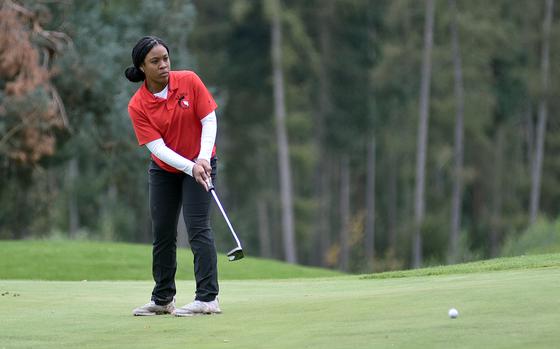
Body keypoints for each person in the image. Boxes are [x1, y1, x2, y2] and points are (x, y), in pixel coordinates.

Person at [124, 36, 221, 317]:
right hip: (165, 170)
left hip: (201, 163)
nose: (163, 65)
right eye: (155, 61)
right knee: (163, 232)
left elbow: (209, 119)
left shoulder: (189, 80)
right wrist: (190, 167)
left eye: (165, 58)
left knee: (198, 228)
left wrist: (202, 159)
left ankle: (207, 299)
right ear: (142, 67)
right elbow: (158, 149)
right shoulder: (138, 105)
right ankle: (163, 298)